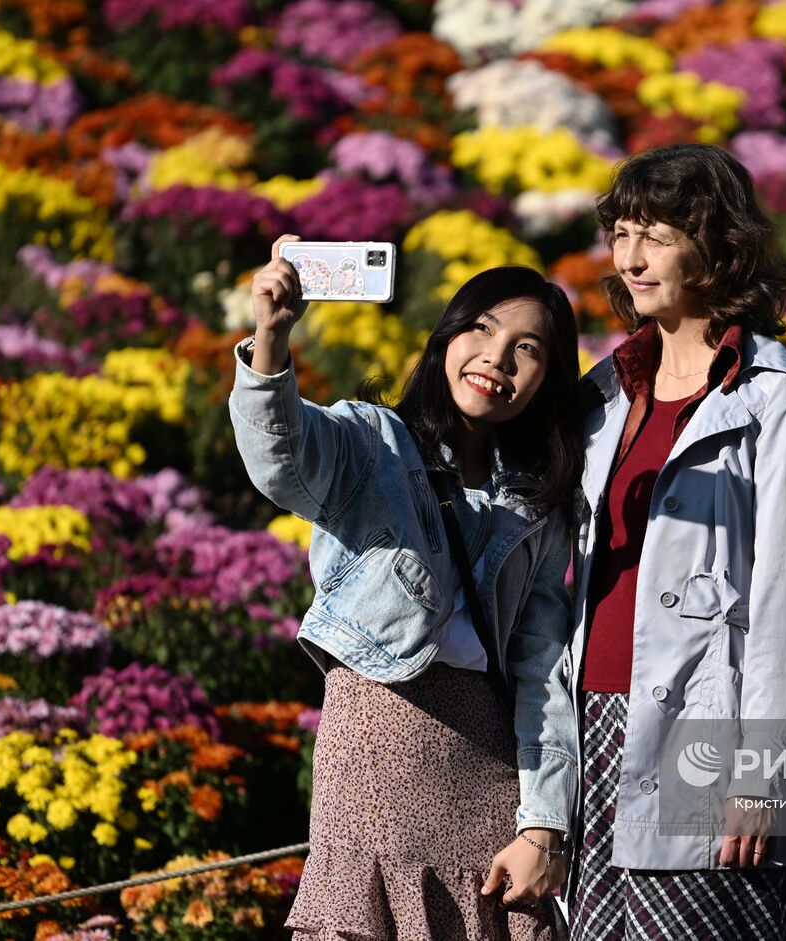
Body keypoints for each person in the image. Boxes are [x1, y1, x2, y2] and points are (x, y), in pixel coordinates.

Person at [230, 236, 582, 940]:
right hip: (375, 755)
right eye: (481, 328)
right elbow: (280, 458)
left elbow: (542, 666)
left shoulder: (538, 506)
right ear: (447, 334)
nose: (496, 357)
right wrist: (270, 335)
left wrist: (544, 821)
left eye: (527, 348)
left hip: (491, 775)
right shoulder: (371, 441)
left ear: (547, 378)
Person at [565, 144, 786, 940]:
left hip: (707, 733)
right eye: (621, 233)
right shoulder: (603, 390)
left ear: (716, 243)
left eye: (654, 232)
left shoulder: (776, 396)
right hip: (591, 728)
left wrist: (759, 772)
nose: (630, 257)